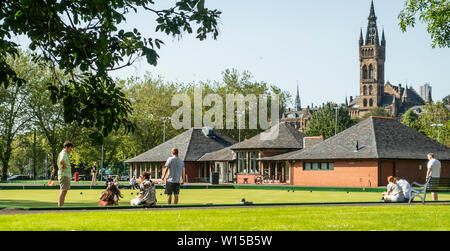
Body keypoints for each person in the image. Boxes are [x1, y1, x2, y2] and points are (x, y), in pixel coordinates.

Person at [57, 141, 73, 207]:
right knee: (63, 191)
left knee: (64, 191)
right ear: (66, 147)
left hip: (65, 175)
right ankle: (60, 207)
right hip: (64, 175)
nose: (71, 151)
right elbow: (61, 161)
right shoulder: (63, 153)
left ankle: (61, 206)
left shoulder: (64, 153)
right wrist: (63, 165)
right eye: (70, 149)